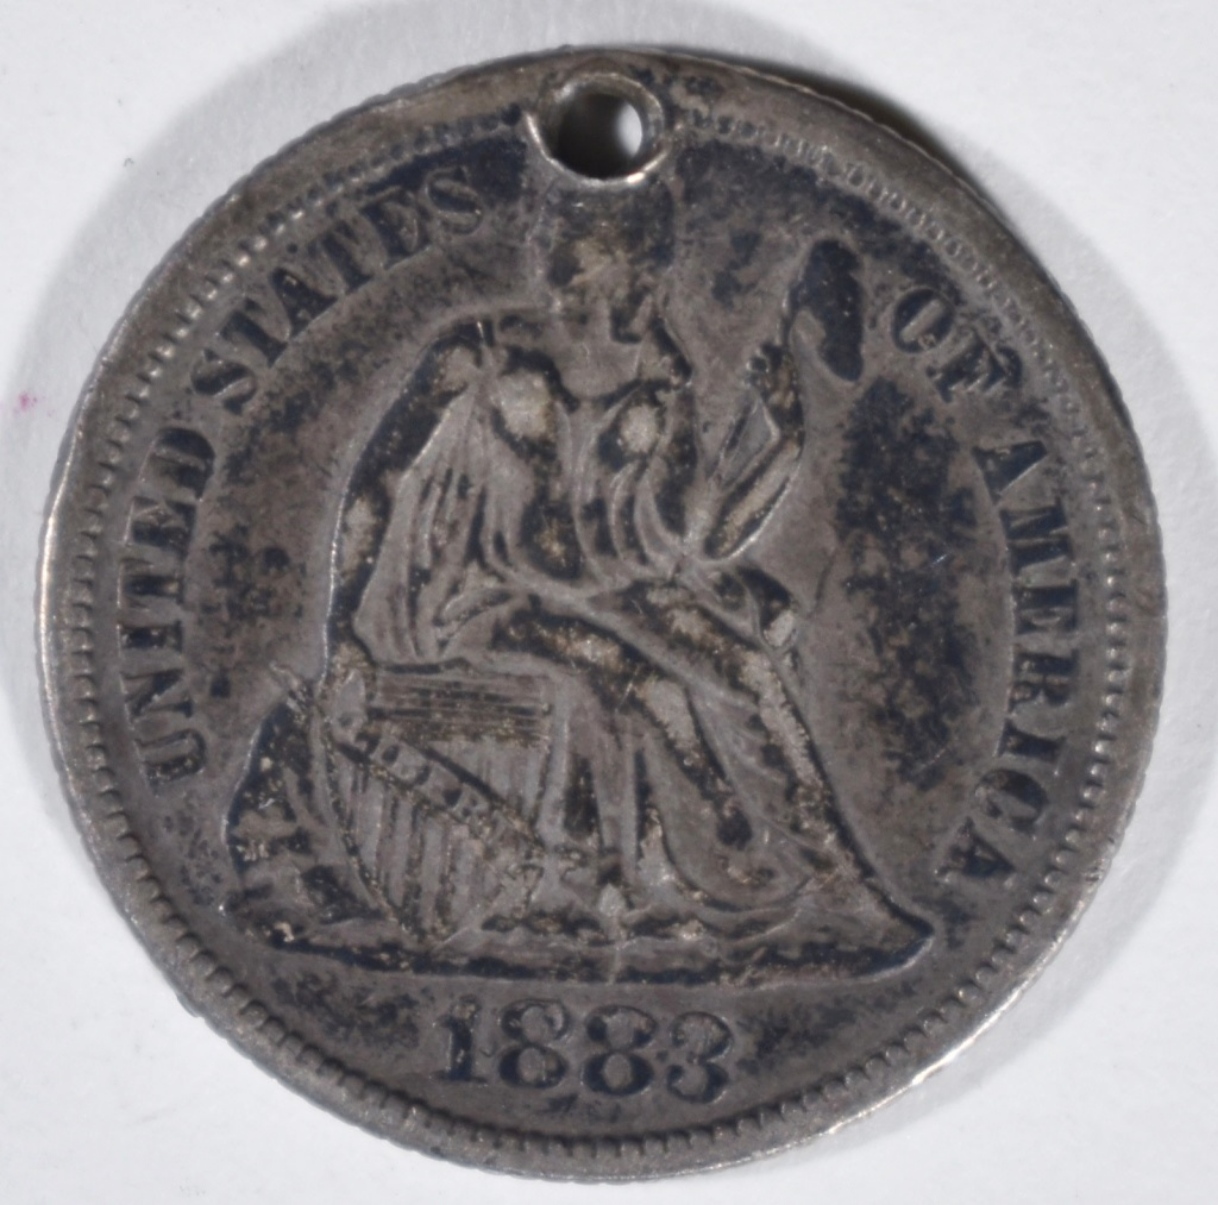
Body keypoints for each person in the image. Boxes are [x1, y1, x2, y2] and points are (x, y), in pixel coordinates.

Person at [227, 181, 928, 981]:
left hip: (608, 587)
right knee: (635, 681)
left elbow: (697, 542)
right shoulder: (479, 354)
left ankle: (839, 885)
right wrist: (341, 628)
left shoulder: (662, 370)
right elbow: (378, 483)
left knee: (748, 667)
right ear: (570, 269)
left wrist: (782, 439)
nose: (643, 297)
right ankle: (689, 867)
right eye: (623, 275)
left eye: (651, 276)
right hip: (481, 599)